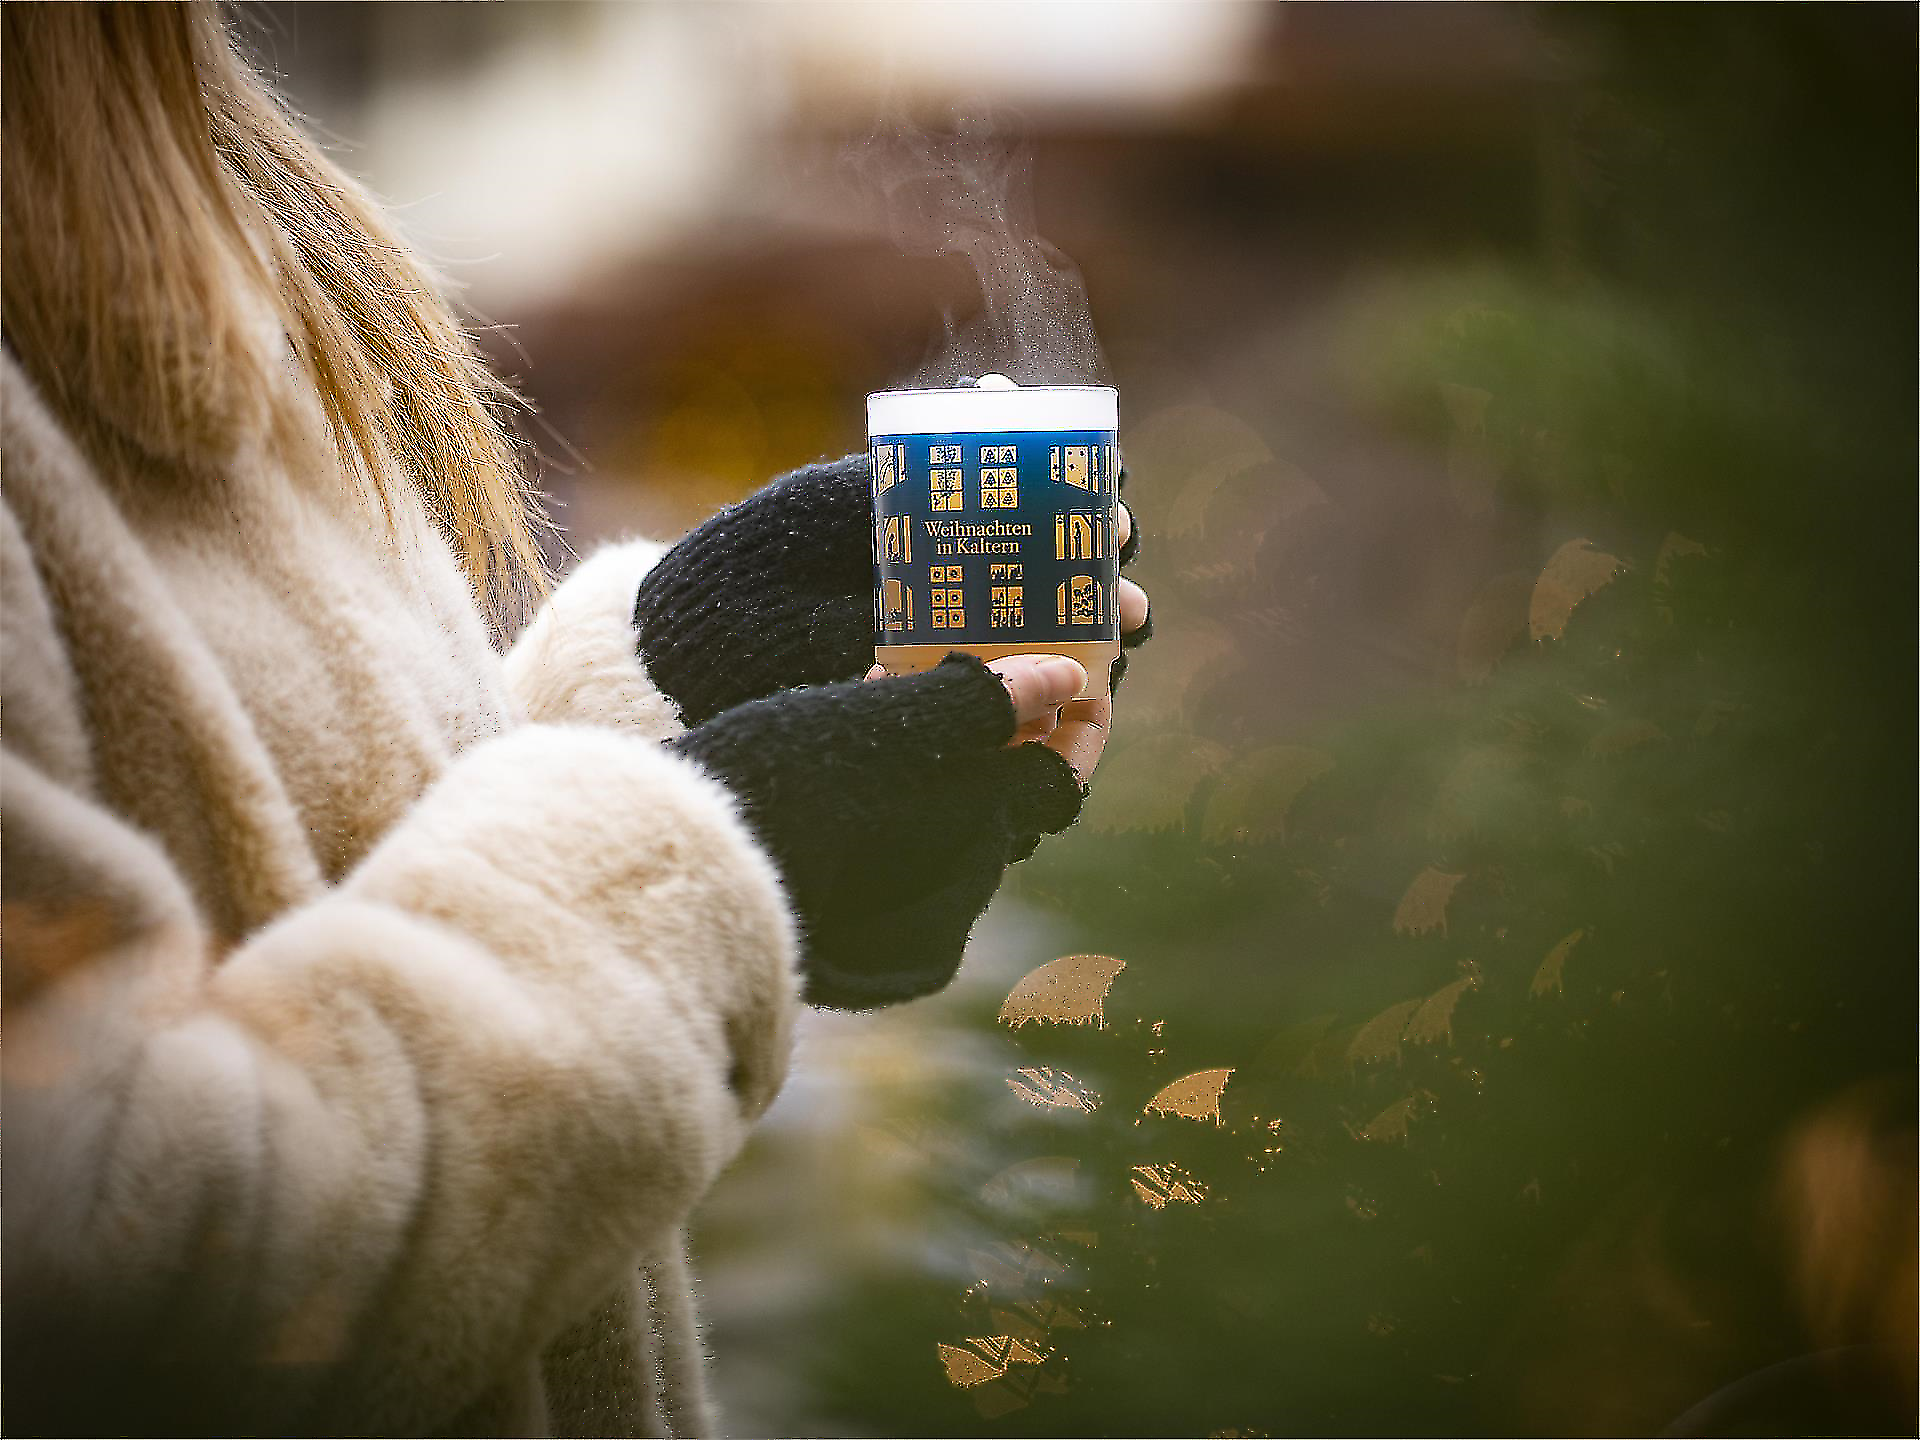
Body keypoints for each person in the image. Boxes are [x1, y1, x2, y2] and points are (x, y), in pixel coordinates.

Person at [0, 4, 1150, 1435]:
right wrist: (697, 863)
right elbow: (103, 1274)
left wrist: (670, 687)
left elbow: (303, 886)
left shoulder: (190, 178)